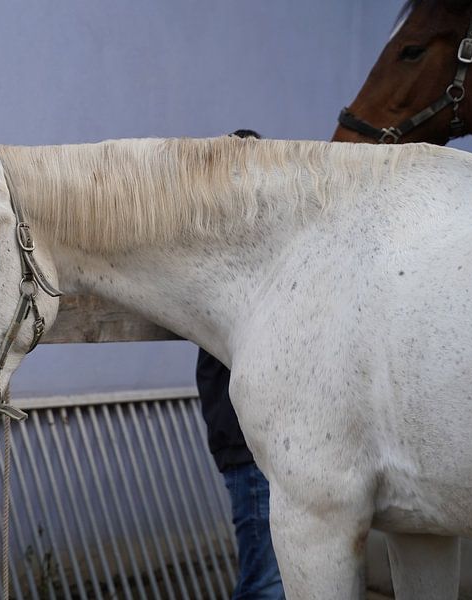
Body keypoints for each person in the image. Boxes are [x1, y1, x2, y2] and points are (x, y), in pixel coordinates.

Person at [196, 129, 285, 600]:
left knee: (282, 580)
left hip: (275, 446)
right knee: (267, 585)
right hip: (249, 446)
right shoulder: (224, 255)